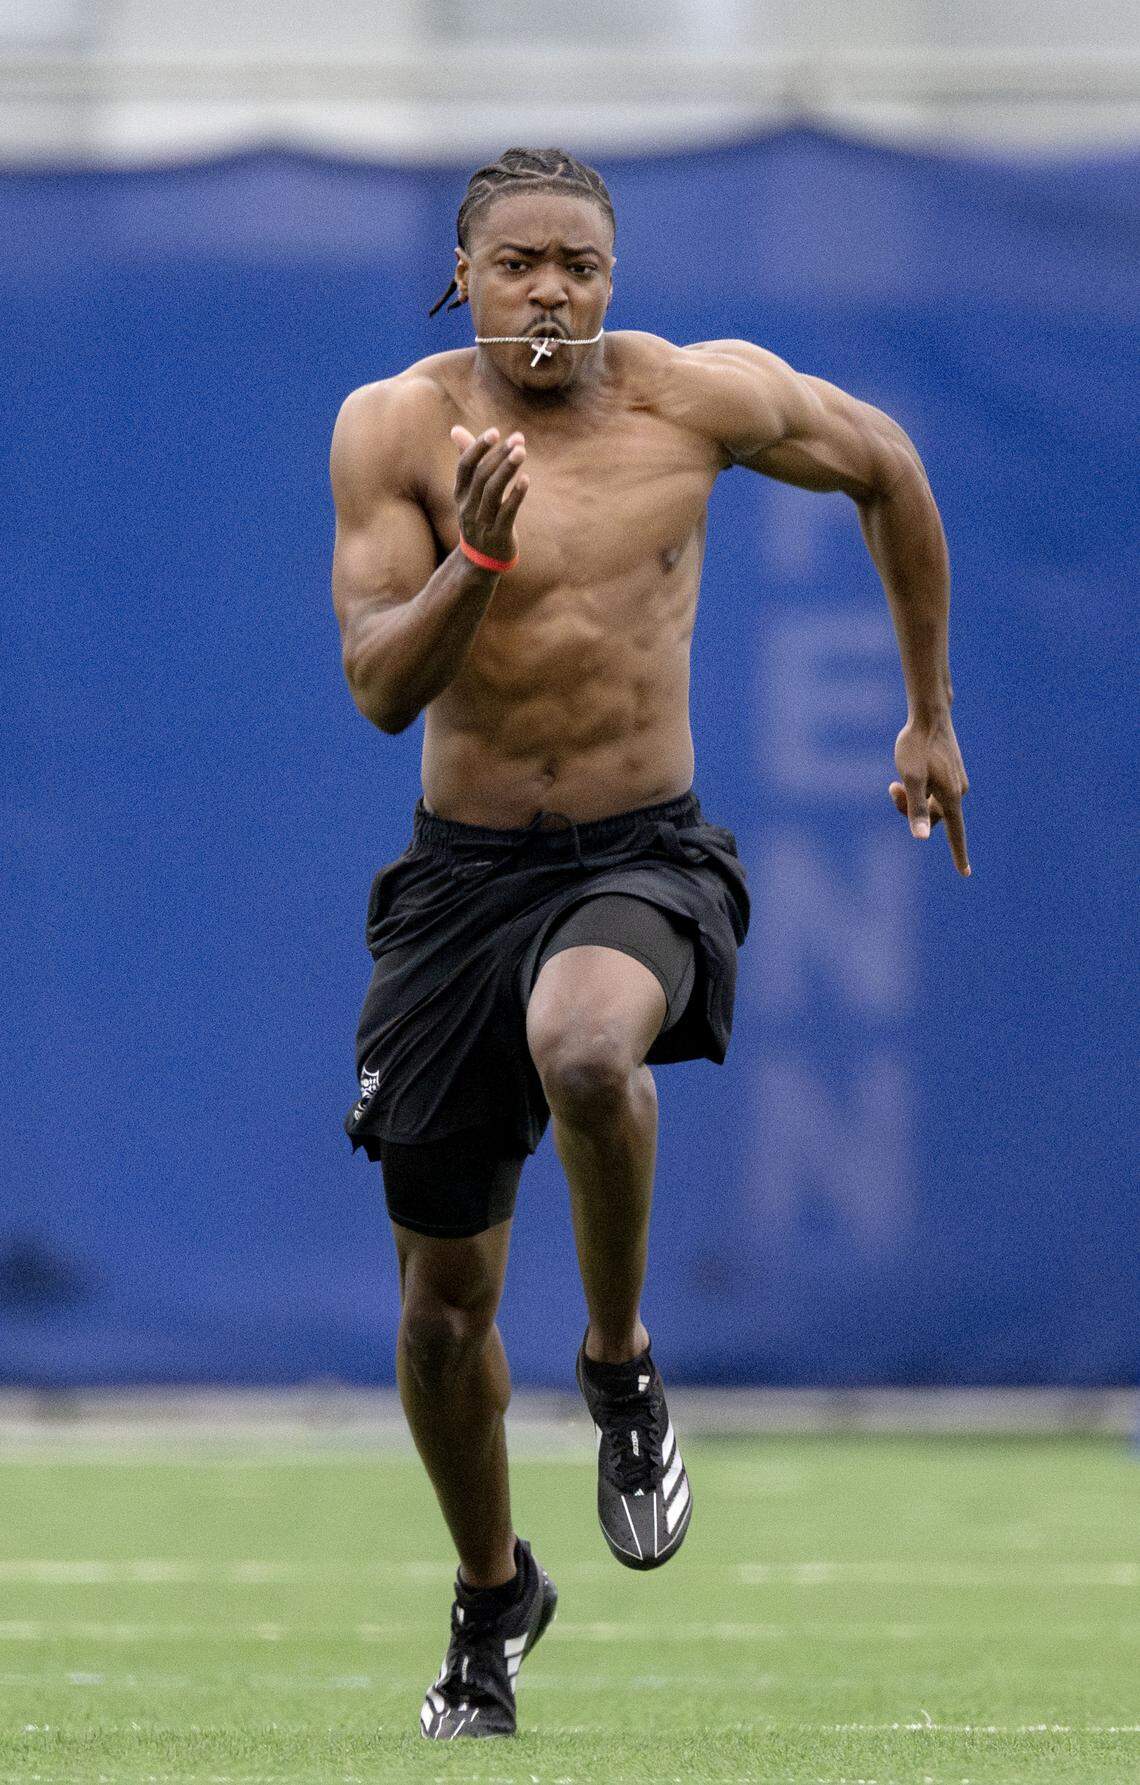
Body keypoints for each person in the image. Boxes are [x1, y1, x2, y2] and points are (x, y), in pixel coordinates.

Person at [329, 146, 971, 1741]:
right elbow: (378, 686)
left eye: (583, 264)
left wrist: (930, 714)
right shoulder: (392, 428)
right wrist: (475, 561)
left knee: (591, 1045)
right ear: (462, 272)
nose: (553, 291)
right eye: (521, 262)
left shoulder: (697, 401)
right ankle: (492, 1594)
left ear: (615, 278)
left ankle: (619, 1364)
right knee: (437, 1315)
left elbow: (888, 465)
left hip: (645, 854)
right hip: (461, 880)